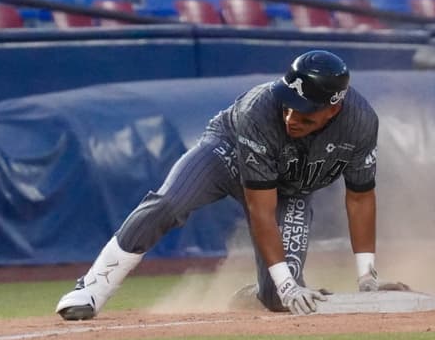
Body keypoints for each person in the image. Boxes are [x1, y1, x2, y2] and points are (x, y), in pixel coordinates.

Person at [56, 49, 395, 319]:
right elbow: (260, 208)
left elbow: (360, 198)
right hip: (227, 153)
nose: (291, 119)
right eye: (289, 105)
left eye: (305, 113)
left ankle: (256, 295)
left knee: (281, 298)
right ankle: (92, 288)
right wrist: (288, 282)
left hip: (291, 188)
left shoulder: (361, 124)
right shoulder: (259, 111)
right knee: (169, 203)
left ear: (333, 111)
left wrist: (367, 276)